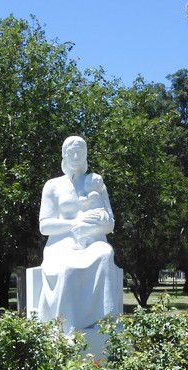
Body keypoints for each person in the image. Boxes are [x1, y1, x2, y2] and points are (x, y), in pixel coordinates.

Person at [34, 136, 123, 332]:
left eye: (80, 152)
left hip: (93, 241)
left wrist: (92, 226)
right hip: (61, 244)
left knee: (105, 253)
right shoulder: (53, 185)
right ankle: (68, 325)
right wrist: (74, 224)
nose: (76, 156)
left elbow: (110, 224)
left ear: (86, 155)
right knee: (68, 269)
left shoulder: (96, 183)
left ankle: (105, 322)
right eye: (71, 152)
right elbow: (45, 226)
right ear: (64, 155)